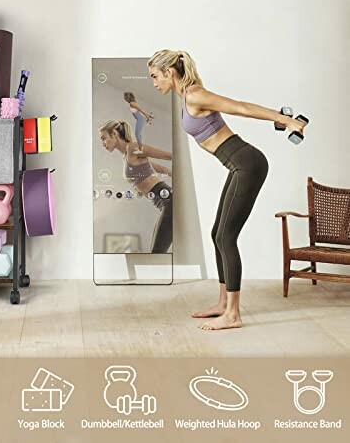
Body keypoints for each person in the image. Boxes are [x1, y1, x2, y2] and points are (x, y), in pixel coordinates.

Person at [147, 49, 305, 331]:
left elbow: (241, 107)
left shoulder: (195, 94)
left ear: (170, 72)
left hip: (248, 163)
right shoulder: (186, 97)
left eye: (155, 76)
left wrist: (285, 119)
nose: (154, 82)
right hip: (238, 165)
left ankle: (233, 314)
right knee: (216, 233)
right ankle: (223, 303)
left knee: (226, 235)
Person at [99, 119, 172, 253]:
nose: (103, 143)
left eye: (104, 138)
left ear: (114, 133)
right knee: (156, 253)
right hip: (163, 203)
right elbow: (160, 168)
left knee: (156, 254)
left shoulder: (132, 148)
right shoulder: (127, 155)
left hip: (168, 202)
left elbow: (167, 155)